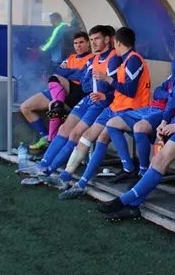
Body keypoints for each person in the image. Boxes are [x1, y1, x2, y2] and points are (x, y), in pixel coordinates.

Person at [93, 22, 175, 220]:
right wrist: (165, 120)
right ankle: (131, 203)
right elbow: (174, 98)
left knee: (160, 159)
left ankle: (124, 201)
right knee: (159, 159)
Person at [55, 27, 150, 197]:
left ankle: (83, 183)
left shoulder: (133, 60)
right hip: (114, 107)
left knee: (100, 135)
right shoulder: (124, 59)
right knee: (87, 135)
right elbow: (117, 89)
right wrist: (104, 94)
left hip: (130, 110)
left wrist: (107, 79)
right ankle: (66, 176)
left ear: (116, 42)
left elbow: (129, 90)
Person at [20, 26, 116, 185]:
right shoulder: (93, 59)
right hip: (87, 100)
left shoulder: (113, 59)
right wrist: (86, 79)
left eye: (96, 39)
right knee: (64, 128)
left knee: (75, 134)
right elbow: (82, 80)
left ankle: (56, 174)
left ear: (107, 39)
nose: (93, 43)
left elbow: (119, 86)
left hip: (100, 102)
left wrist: (103, 88)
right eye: (91, 40)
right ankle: (42, 166)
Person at [19, 32, 93, 154]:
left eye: (81, 42)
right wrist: (73, 71)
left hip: (75, 92)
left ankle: (51, 142)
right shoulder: (70, 57)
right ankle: (45, 136)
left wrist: (68, 72)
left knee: (54, 103)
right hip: (58, 88)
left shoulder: (91, 58)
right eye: (76, 43)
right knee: (25, 107)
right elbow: (58, 70)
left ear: (87, 44)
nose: (78, 46)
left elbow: (82, 76)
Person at [102, 72, 172, 184]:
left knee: (139, 128)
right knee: (112, 123)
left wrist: (169, 96)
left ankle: (143, 172)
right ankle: (128, 168)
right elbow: (158, 91)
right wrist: (168, 95)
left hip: (166, 112)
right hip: (151, 108)